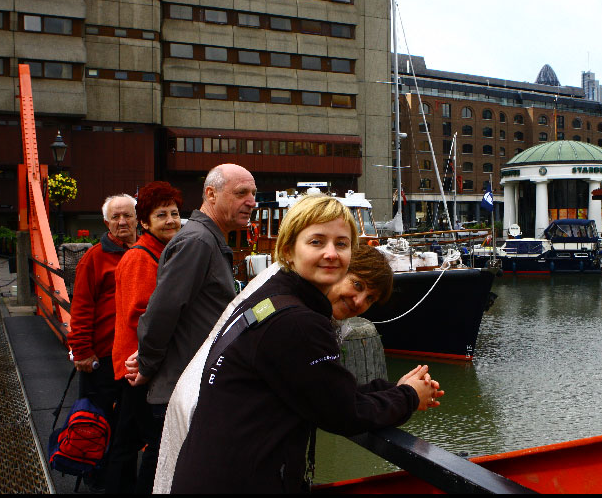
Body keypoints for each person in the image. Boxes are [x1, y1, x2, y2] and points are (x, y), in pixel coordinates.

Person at [170, 195, 441, 493]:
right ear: (288, 249)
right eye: (316, 242)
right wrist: (408, 398)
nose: (331, 253)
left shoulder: (270, 299)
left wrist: (393, 390)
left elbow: (320, 390)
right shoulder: (300, 323)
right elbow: (343, 413)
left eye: (341, 243)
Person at [128, 164, 256, 456]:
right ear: (211, 194)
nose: (251, 201)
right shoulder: (198, 241)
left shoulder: (206, 239)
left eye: (252, 193)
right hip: (183, 393)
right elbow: (161, 312)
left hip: (190, 388)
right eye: (240, 193)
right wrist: (147, 365)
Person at [106, 181, 182, 494]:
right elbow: (141, 314)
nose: (170, 221)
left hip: (135, 363)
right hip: (140, 366)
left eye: (175, 213)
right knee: (156, 442)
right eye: (161, 215)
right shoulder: (142, 258)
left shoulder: (159, 252)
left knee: (127, 437)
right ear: (145, 223)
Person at [67, 193, 137, 488]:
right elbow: (81, 307)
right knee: (98, 423)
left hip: (133, 358)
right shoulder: (94, 258)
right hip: (103, 357)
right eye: (116, 217)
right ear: (107, 222)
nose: (122, 221)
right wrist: (81, 350)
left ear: (137, 219)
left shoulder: (147, 252)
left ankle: (123, 480)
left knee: (129, 426)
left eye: (127, 216)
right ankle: (97, 478)